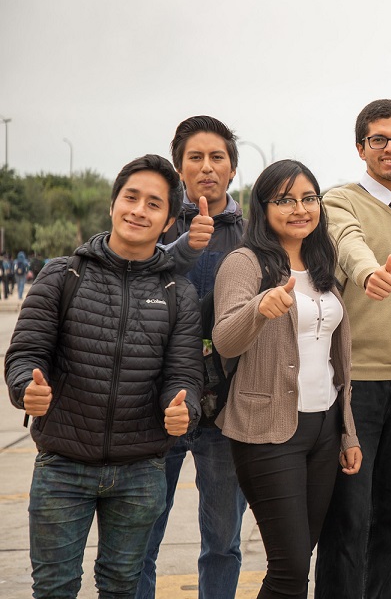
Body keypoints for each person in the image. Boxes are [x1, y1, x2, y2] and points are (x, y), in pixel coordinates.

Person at [4, 154, 204, 598]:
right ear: (113, 204)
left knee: (122, 588)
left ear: (170, 221)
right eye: (130, 198)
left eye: (153, 204)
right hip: (62, 467)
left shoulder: (178, 292)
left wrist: (183, 408)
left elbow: (184, 373)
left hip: (140, 470)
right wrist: (25, 389)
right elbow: (26, 353)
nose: (138, 210)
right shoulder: (63, 274)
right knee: (55, 588)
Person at [211, 159, 362, 598]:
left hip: (324, 429)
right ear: (263, 207)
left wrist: (347, 433)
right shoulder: (245, 262)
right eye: (285, 200)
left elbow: (337, 362)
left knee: (298, 561)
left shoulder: (321, 261)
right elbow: (224, 339)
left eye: (309, 198)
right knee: (291, 568)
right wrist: (259, 308)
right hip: (267, 430)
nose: (300, 209)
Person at [315, 98, 391, 599]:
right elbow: (346, 240)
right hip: (354, 386)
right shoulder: (338, 201)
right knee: (348, 522)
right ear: (361, 147)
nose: (390, 148)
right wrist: (366, 272)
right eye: (378, 139)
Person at [139, 115, 248, 599]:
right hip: (158, 404)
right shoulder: (154, 221)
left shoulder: (252, 231)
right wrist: (182, 249)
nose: (207, 167)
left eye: (217, 157)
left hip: (228, 409)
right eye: (195, 158)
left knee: (223, 542)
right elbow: (132, 280)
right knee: (140, 537)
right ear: (179, 166)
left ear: (232, 167)